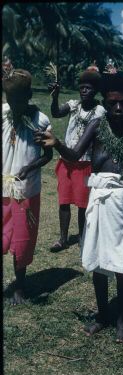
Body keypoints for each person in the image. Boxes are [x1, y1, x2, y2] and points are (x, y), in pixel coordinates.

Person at [34, 69, 123, 343]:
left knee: (121, 262)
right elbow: (75, 155)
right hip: (98, 199)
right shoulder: (97, 125)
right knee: (98, 262)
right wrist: (58, 143)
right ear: (105, 103)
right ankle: (103, 314)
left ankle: (122, 319)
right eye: (111, 103)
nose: (117, 108)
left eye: (121, 102)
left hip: (122, 202)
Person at [2, 66, 53, 305]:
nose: (12, 105)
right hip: (3, 187)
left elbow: (48, 156)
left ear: (28, 97)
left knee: (22, 240)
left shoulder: (40, 121)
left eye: (16, 101)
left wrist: (29, 168)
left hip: (25, 189)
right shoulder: (3, 113)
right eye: (8, 99)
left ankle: (19, 287)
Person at [48, 64, 105, 252]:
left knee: (82, 203)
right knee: (64, 200)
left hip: (85, 162)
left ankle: (82, 237)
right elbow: (56, 113)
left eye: (88, 88)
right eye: (81, 87)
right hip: (66, 161)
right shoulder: (73, 105)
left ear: (95, 90)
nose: (84, 90)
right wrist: (55, 97)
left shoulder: (99, 112)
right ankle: (63, 239)